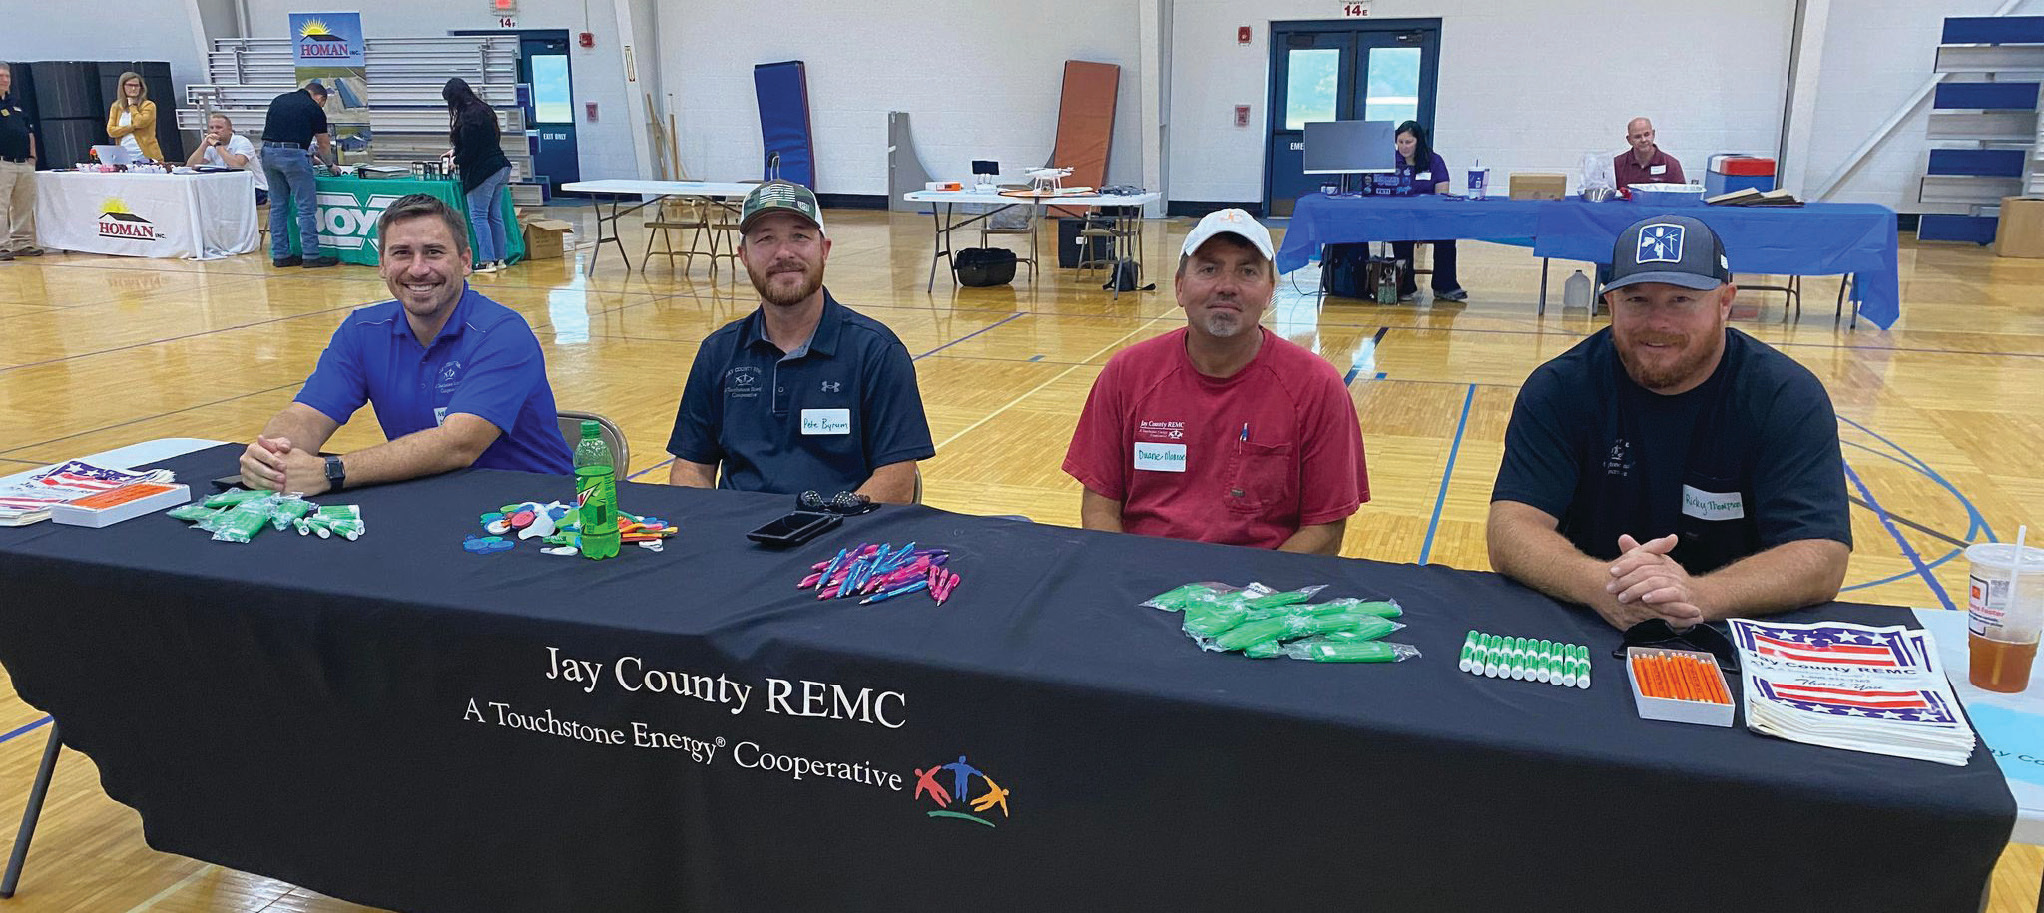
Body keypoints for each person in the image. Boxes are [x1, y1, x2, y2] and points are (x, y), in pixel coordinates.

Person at [1487, 215, 1850, 631]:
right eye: (1637, 300)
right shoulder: (1561, 388)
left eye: (1681, 299)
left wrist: (1696, 595)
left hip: (1733, 624)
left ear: (1725, 302)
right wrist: (1597, 583)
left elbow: (1821, 555)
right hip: (1589, 622)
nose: (1658, 324)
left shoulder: (1785, 396)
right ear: (1610, 304)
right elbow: (1511, 528)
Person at [1063, 209, 1369, 553]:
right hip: (1141, 587)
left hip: (1261, 596)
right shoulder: (1126, 375)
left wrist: (1242, 603)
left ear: (1270, 291)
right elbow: (1100, 507)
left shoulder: (1317, 387)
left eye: (1247, 271)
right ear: (1180, 287)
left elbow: (1325, 529)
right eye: (1209, 269)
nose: (1226, 286)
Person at [239, 193, 572, 494]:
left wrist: (332, 472)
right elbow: (307, 415)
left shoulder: (502, 333)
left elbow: (459, 444)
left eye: (433, 252)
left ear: (465, 261)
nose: (418, 268)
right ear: (382, 264)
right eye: (401, 253)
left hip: (539, 512)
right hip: (432, 503)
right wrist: (273, 456)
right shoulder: (362, 331)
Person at [666, 181, 934, 501]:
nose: (784, 253)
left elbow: (897, 479)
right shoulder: (718, 352)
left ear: (824, 249)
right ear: (744, 257)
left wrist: (825, 532)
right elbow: (691, 468)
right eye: (765, 239)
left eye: (799, 236)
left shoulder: (877, 352)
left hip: (839, 543)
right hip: (738, 541)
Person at [1389, 121, 1467, 302]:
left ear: (1418, 141)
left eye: (1408, 142)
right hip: (1402, 217)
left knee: (1446, 234)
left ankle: (1445, 286)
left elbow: (1443, 192)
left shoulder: (1434, 161)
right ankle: (1404, 285)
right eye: (1400, 142)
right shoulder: (1391, 160)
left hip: (1430, 218)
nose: (1404, 147)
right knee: (1400, 231)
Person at [261, 81, 336, 269]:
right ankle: (311, 255)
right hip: (294, 156)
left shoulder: (278, 100)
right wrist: (330, 164)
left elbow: (281, 133)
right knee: (305, 207)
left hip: (268, 154)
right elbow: (323, 144)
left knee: (278, 206)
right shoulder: (314, 108)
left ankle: (280, 255)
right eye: (322, 103)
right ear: (319, 98)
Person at [442, 78, 512, 273]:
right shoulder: (483, 109)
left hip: (483, 171)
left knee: (479, 216)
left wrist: (455, 161)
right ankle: (500, 259)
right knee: (494, 215)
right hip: (501, 167)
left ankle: (486, 260)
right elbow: (481, 142)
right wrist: (455, 151)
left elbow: (471, 151)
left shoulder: (467, 117)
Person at [0, 62, 39, 262]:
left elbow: (29, 131)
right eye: (0, 76)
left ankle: (22, 243)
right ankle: (1, 246)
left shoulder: (16, 102)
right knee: (1, 205)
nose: (5, 80)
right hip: (2, 162)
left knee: (23, 205)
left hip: (23, 162)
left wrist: (33, 157)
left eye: (7, 76)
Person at [186, 113, 267, 205]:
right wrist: (203, 145)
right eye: (211, 128)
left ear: (230, 129)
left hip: (254, 188)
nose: (214, 131)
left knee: (220, 201)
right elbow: (190, 166)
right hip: (228, 188)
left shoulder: (242, 142)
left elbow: (238, 166)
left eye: (219, 127)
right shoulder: (210, 146)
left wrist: (218, 146)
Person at [104, 71, 163, 162]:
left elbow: (141, 123)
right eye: (130, 85)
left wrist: (132, 106)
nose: (133, 88)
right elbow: (111, 131)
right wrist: (132, 127)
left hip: (147, 156)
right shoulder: (116, 106)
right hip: (124, 157)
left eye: (137, 86)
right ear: (122, 87)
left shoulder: (148, 105)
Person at [1614, 117, 1685, 190]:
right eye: (1637, 137)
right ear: (1629, 140)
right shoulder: (1616, 165)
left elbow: (1681, 198)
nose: (1643, 140)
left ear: (1653, 134)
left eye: (1647, 134)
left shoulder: (1671, 165)